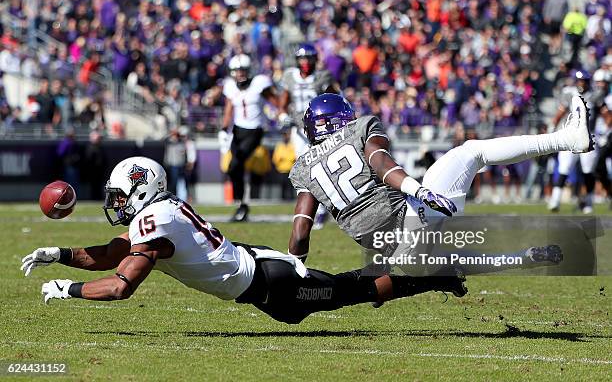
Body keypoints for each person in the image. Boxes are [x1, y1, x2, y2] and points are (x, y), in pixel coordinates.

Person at [20, 157, 466, 325]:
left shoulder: (156, 221)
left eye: (121, 196)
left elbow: (120, 285)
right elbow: (113, 253)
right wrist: (58, 255)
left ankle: (435, 276)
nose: (116, 204)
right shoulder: (158, 215)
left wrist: (68, 289)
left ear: (140, 189)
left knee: (355, 290)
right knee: (326, 302)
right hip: (258, 283)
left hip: (270, 279)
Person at [287, 93, 592, 265]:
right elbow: (380, 164)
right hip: (409, 222)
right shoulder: (359, 130)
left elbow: (301, 232)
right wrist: (418, 190)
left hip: (391, 255)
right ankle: (566, 139)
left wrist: (296, 273)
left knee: (444, 260)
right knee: (472, 152)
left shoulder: (303, 166)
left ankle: (522, 258)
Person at [278, 43, 339, 229]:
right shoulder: (290, 76)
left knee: (321, 168)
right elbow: (285, 99)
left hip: (320, 130)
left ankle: (321, 209)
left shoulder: (322, 77)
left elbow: (335, 99)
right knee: (305, 170)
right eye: (302, 59)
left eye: (308, 58)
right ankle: (312, 210)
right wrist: (282, 115)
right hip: (299, 129)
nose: (305, 62)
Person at [220, 54, 278, 222]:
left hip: (255, 130)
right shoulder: (231, 86)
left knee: (238, 162)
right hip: (238, 130)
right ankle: (241, 204)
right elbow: (229, 107)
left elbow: (273, 100)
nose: (240, 74)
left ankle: (243, 206)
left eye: (243, 70)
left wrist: (281, 113)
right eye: (237, 71)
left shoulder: (259, 83)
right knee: (232, 168)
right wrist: (224, 128)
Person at [548, 70, 604, 213]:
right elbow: (560, 112)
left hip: (589, 136)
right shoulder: (569, 93)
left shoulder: (595, 95)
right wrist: (551, 127)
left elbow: (605, 113)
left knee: (588, 171)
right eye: (579, 80)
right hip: (571, 137)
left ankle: (589, 203)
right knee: (564, 168)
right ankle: (555, 200)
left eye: (584, 80)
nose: (581, 83)